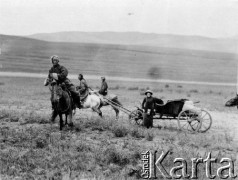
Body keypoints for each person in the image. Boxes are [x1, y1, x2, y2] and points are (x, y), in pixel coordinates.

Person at [48, 55, 81, 121]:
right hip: (56, 85)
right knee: (52, 97)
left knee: (75, 92)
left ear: (58, 61)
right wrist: (49, 80)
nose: (55, 61)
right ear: (52, 61)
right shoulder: (51, 69)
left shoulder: (62, 67)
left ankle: (77, 104)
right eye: (54, 60)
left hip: (65, 83)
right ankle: (54, 108)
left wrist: (57, 76)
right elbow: (49, 77)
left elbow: (64, 74)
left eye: (56, 60)